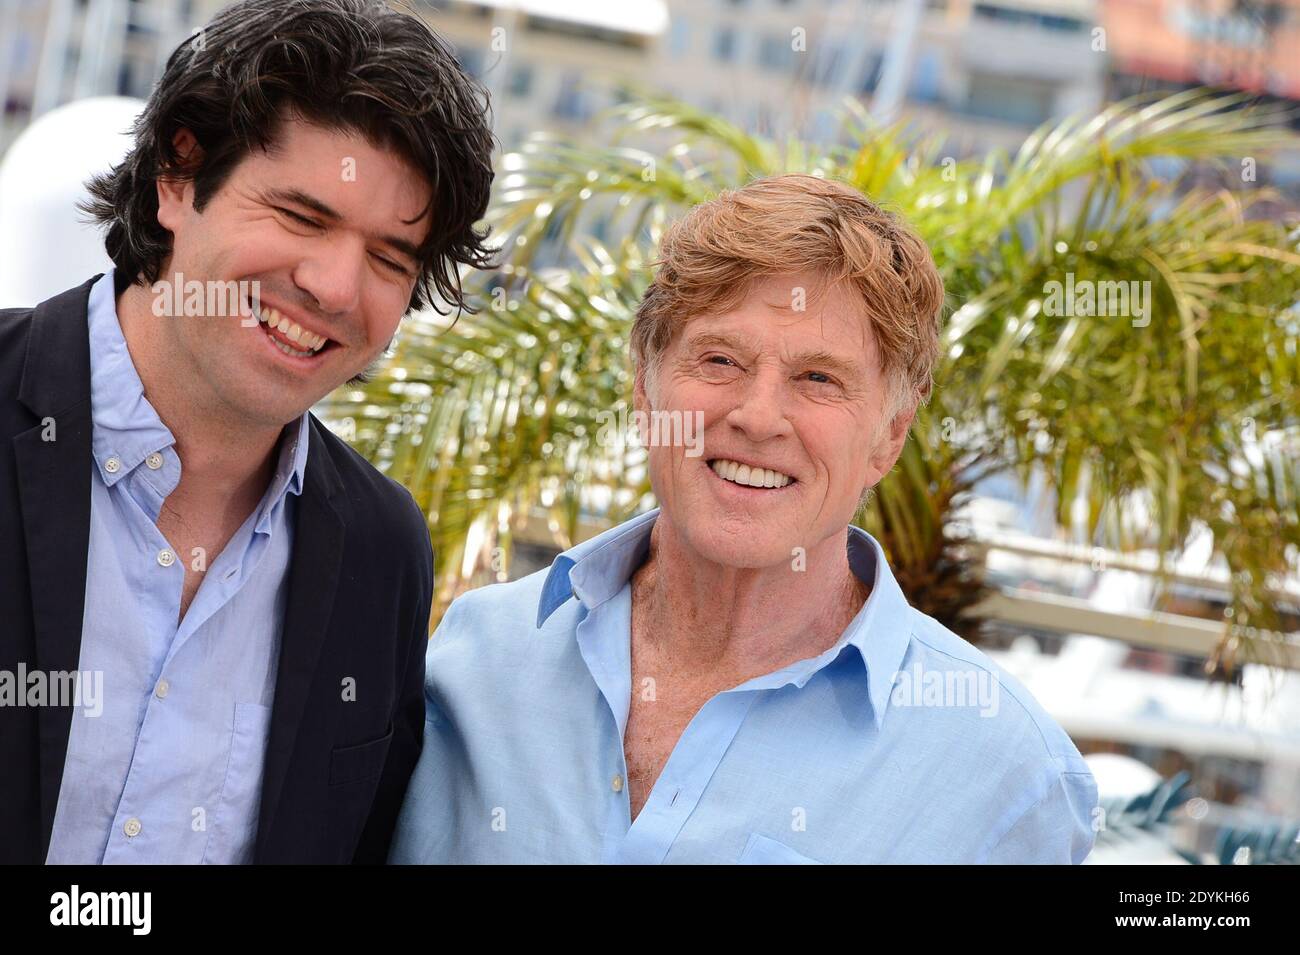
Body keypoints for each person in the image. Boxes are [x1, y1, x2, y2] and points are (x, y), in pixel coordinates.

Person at [390, 174, 1098, 864]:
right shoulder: (478, 658)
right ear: (644, 384)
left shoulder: (1009, 777)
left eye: (818, 379)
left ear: (889, 435)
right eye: (720, 359)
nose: (758, 417)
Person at [0, 0, 494, 864]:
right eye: (302, 218)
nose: (337, 287)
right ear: (177, 178)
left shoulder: (382, 552)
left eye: (388, 258)